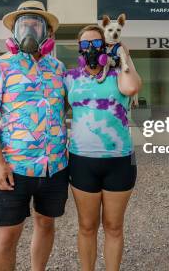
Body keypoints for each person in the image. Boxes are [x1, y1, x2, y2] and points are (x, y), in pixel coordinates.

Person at [0, 0, 68, 271]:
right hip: (13, 168)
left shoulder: (59, 69)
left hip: (55, 168)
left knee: (46, 223)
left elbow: (66, 108)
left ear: (48, 34)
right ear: (15, 31)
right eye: (23, 24)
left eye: (36, 24)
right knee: (6, 235)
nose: (29, 29)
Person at [63, 24, 142, 271]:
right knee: (87, 227)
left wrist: (123, 54)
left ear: (105, 46)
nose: (90, 49)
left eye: (96, 43)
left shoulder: (119, 74)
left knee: (114, 227)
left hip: (119, 161)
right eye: (84, 45)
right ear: (78, 49)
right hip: (82, 161)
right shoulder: (69, 78)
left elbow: (131, 88)